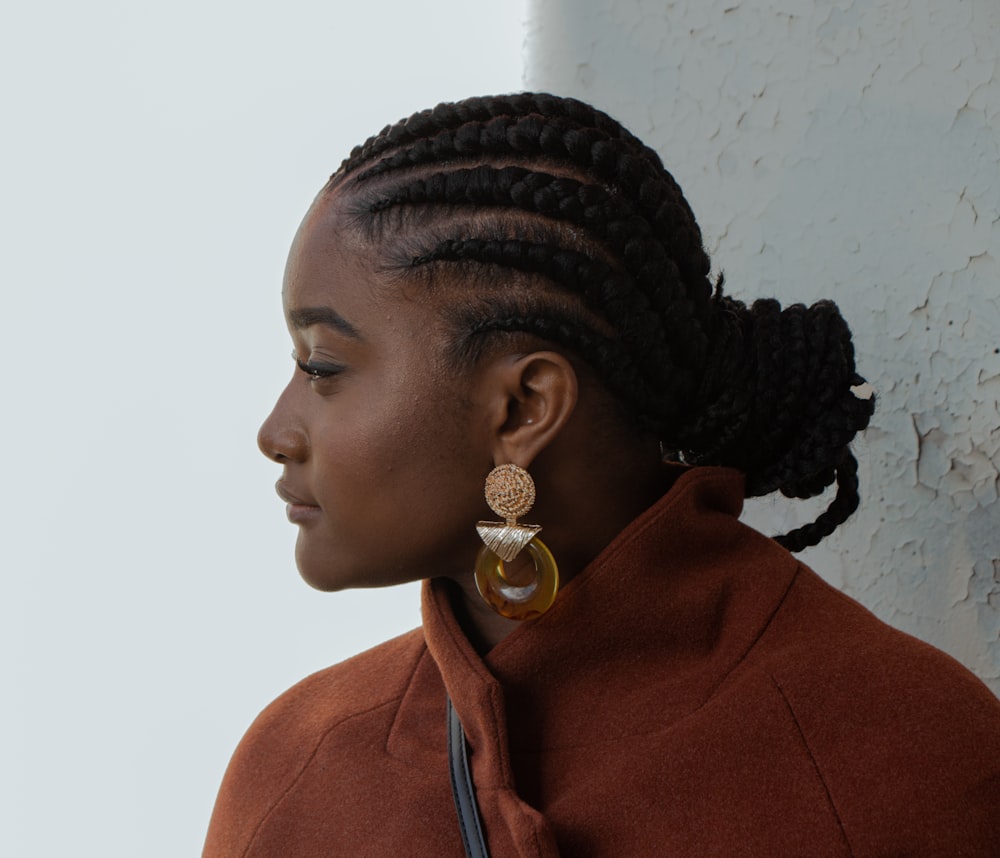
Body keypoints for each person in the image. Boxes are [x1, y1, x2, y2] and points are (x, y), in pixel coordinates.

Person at [203, 93, 1000, 857]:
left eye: (323, 366)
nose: (275, 432)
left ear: (522, 409)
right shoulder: (295, 775)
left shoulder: (906, 751)